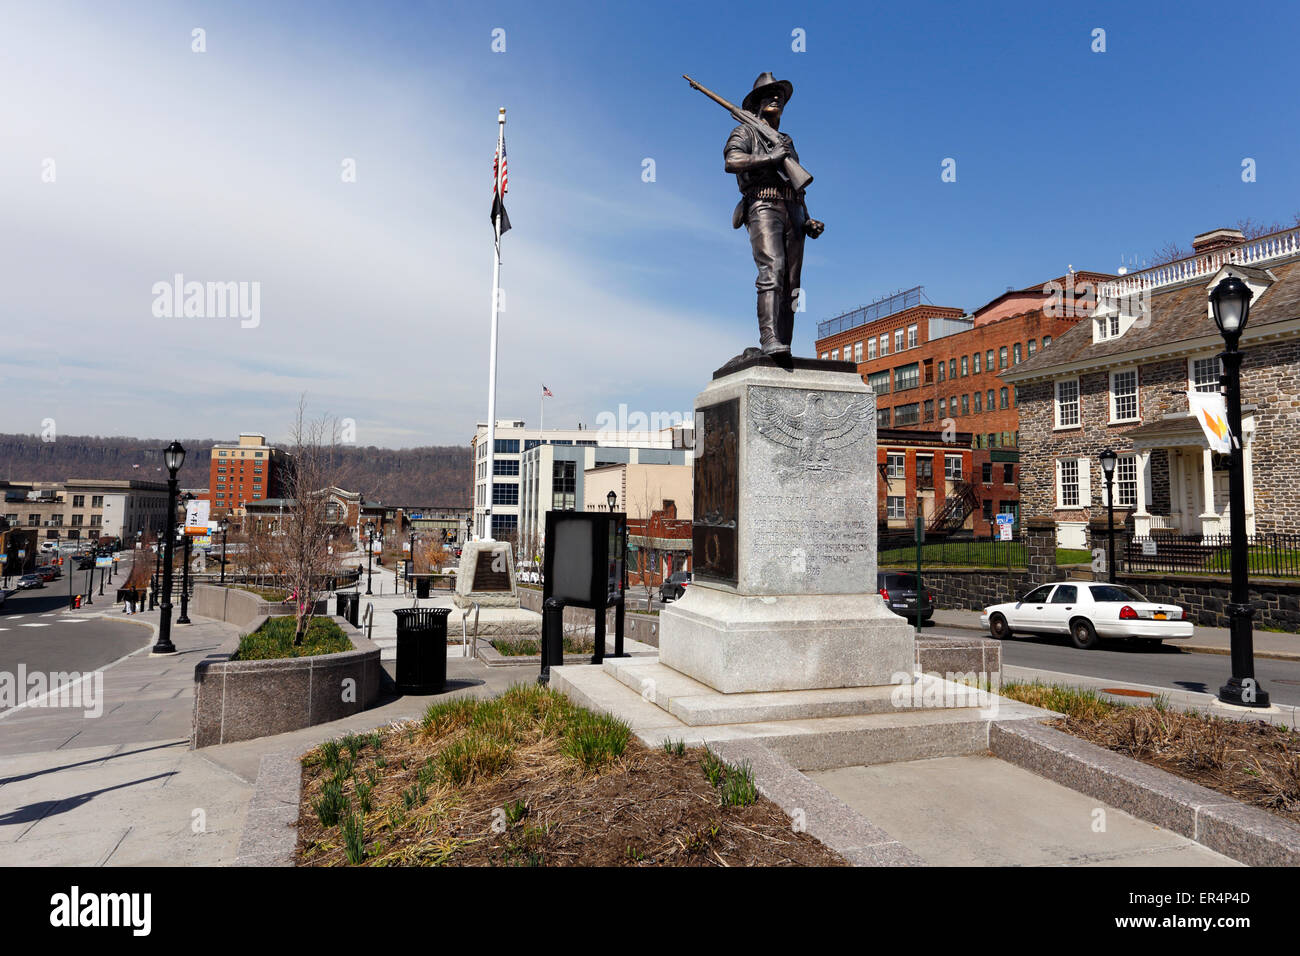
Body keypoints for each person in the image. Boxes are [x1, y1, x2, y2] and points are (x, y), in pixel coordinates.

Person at [724, 72, 825, 356]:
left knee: (793, 284)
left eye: (779, 96)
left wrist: (807, 219)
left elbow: (796, 182)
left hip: (793, 209)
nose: (776, 99)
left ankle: (785, 345)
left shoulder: (786, 140)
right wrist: (771, 157)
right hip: (763, 206)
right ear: (756, 103)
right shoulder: (745, 132)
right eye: (769, 95)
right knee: (773, 270)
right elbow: (732, 161)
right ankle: (769, 339)